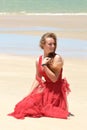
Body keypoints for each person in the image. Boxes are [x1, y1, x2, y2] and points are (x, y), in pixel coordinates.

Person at [8, 32, 71, 119]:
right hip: (45, 89)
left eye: (54, 44)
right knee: (24, 106)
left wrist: (45, 66)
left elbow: (54, 79)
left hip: (55, 93)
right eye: (50, 44)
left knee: (46, 110)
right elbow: (38, 79)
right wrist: (29, 94)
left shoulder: (57, 59)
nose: (53, 46)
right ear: (43, 45)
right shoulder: (39, 60)